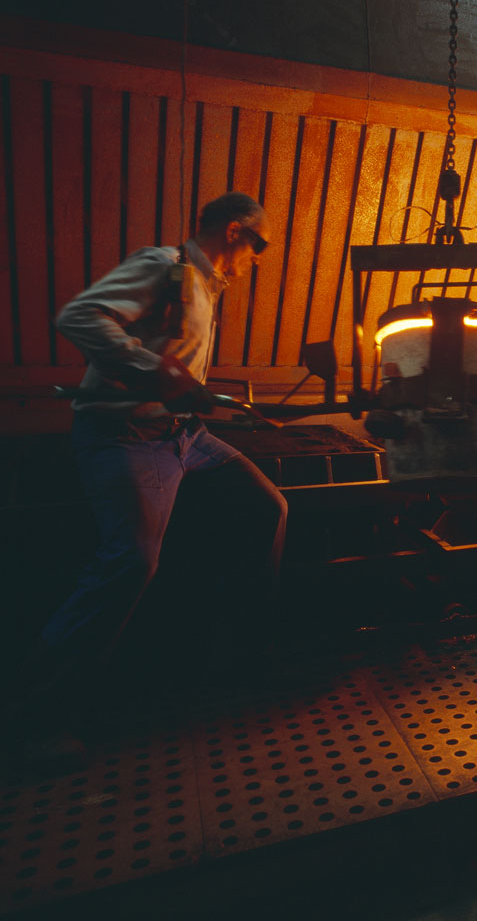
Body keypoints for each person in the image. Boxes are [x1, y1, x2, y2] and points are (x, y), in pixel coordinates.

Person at [14, 192, 287, 764]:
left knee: (266, 507)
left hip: (184, 438)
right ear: (235, 231)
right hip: (123, 437)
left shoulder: (209, 288)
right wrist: (153, 369)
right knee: (131, 561)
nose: (259, 257)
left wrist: (197, 391)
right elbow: (79, 317)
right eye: (259, 243)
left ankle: (233, 654)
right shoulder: (163, 266)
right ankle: (35, 720)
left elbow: (178, 368)